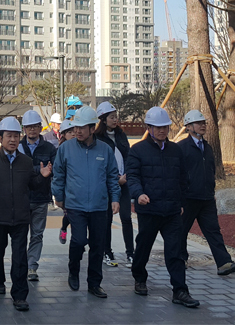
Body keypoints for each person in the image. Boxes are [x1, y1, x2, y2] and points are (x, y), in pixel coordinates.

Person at [0, 116, 51, 312]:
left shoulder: (26, 162)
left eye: (16, 136)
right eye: (9, 136)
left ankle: (20, 295)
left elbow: (33, 185)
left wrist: (42, 177)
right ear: (1, 138)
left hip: (20, 218)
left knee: (19, 258)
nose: (13, 140)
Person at [127, 107, 200, 307]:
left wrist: (182, 203)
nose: (162, 131)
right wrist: (138, 194)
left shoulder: (176, 151)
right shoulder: (137, 150)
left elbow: (183, 179)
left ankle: (180, 291)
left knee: (175, 252)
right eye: (157, 127)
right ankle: (140, 278)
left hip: (172, 212)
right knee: (143, 247)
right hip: (149, 209)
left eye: (165, 127)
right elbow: (132, 177)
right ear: (149, 128)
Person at [51, 106, 120, 299]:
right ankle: (73, 270)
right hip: (75, 205)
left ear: (92, 128)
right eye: (75, 128)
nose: (78, 131)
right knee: (79, 240)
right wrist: (59, 197)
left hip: (99, 206)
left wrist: (115, 199)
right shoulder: (65, 149)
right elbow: (58, 175)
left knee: (98, 245)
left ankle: (94, 283)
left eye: (82, 127)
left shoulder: (105, 150)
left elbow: (112, 177)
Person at [178, 110, 235, 276]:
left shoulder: (207, 147)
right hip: (188, 198)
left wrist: (211, 189)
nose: (203, 125)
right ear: (188, 126)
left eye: (203, 123)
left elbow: (211, 170)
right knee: (181, 230)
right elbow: (177, 173)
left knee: (213, 231)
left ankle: (224, 263)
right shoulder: (181, 148)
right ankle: (179, 260)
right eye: (199, 123)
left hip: (207, 198)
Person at [18, 110, 57, 282]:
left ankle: (32, 266)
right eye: (28, 127)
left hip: (41, 198)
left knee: (37, 234)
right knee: (20, 234)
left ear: (40, 128)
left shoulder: (49, 148)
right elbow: (18, 171)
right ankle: (21, 265)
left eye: (35, 126)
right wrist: (39, 171)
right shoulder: (18, 147)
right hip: (22, 198)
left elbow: (54, 169)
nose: (32, 130)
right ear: (24, 129)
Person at [94, 102, 133, 269]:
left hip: (125, 183)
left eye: (116, 116)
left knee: (126, 217)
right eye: (111, 117)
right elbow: (99, 164)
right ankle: (107, 251)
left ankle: (131, 252)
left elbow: (129, 156)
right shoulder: (97, 139)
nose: (115, 120)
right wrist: (115, 179)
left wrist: (126, 176)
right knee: (107, 218)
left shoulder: (121, 135)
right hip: (107, 185)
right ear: (103, 119)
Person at [57, 120, 75, 245]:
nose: (73, 134)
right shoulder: (61, 149)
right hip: (66, 190)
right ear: (63, 134)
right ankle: (63, 229)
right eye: (69, 132)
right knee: (69, 214)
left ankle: (77, 238)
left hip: (77, 189)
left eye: (74, 131)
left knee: (76, 216)